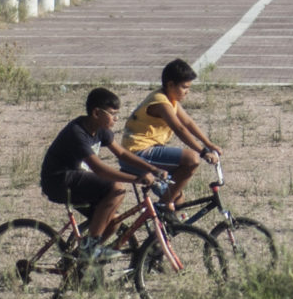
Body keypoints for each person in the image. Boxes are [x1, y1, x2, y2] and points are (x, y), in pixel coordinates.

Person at [40, 87, 168, 252]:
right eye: (113, 114)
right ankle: (90, 246)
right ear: (96, 113)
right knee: (117, 189)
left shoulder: (101, 129)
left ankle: (82, 259)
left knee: (114, 221)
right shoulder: (77, 133)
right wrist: (137, 179)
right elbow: (99, 169)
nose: (116, 119)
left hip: (77, 179)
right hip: (58, 181)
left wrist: (153, 169)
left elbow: (121, 153)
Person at [122, 57, 221, 206]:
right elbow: (179, 128)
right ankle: (163, 207)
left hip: (150, 150)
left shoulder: (170, 99)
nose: (187, 92)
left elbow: (187, 122)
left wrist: (209, 144)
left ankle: (164, 223)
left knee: (178, 198)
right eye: (184, 87)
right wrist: (202, 152)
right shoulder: (161, 102)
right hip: (136, 153)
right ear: (170, 84)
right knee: (192, 159)